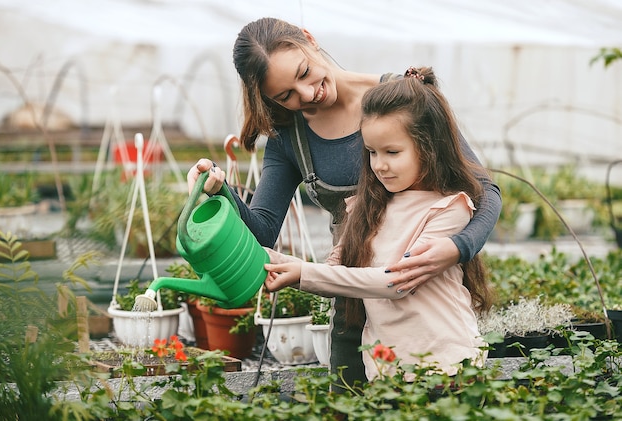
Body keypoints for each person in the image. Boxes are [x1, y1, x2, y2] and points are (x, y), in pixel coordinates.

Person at [186, 17, 501, 389]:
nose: (306, 95)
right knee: (349, 395)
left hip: (425, 289)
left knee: (435, 387)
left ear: (309, 39)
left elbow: (485, 191)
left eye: (304, 73)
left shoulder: (402, 97)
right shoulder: (290, 138)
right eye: (285, 95)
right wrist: (219, 191)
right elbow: (264, 230)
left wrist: (457, 248)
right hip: (351, 288)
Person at [263, 67, 495, 382]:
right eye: (372, 152)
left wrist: (302, 273)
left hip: (446, 369)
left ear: (428, 146)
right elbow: (341, 276)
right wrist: (287, 265)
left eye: (392, 152)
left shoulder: (449, 208)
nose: (380, 165)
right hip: (388, 372)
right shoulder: (367, 208)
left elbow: (393, 282)